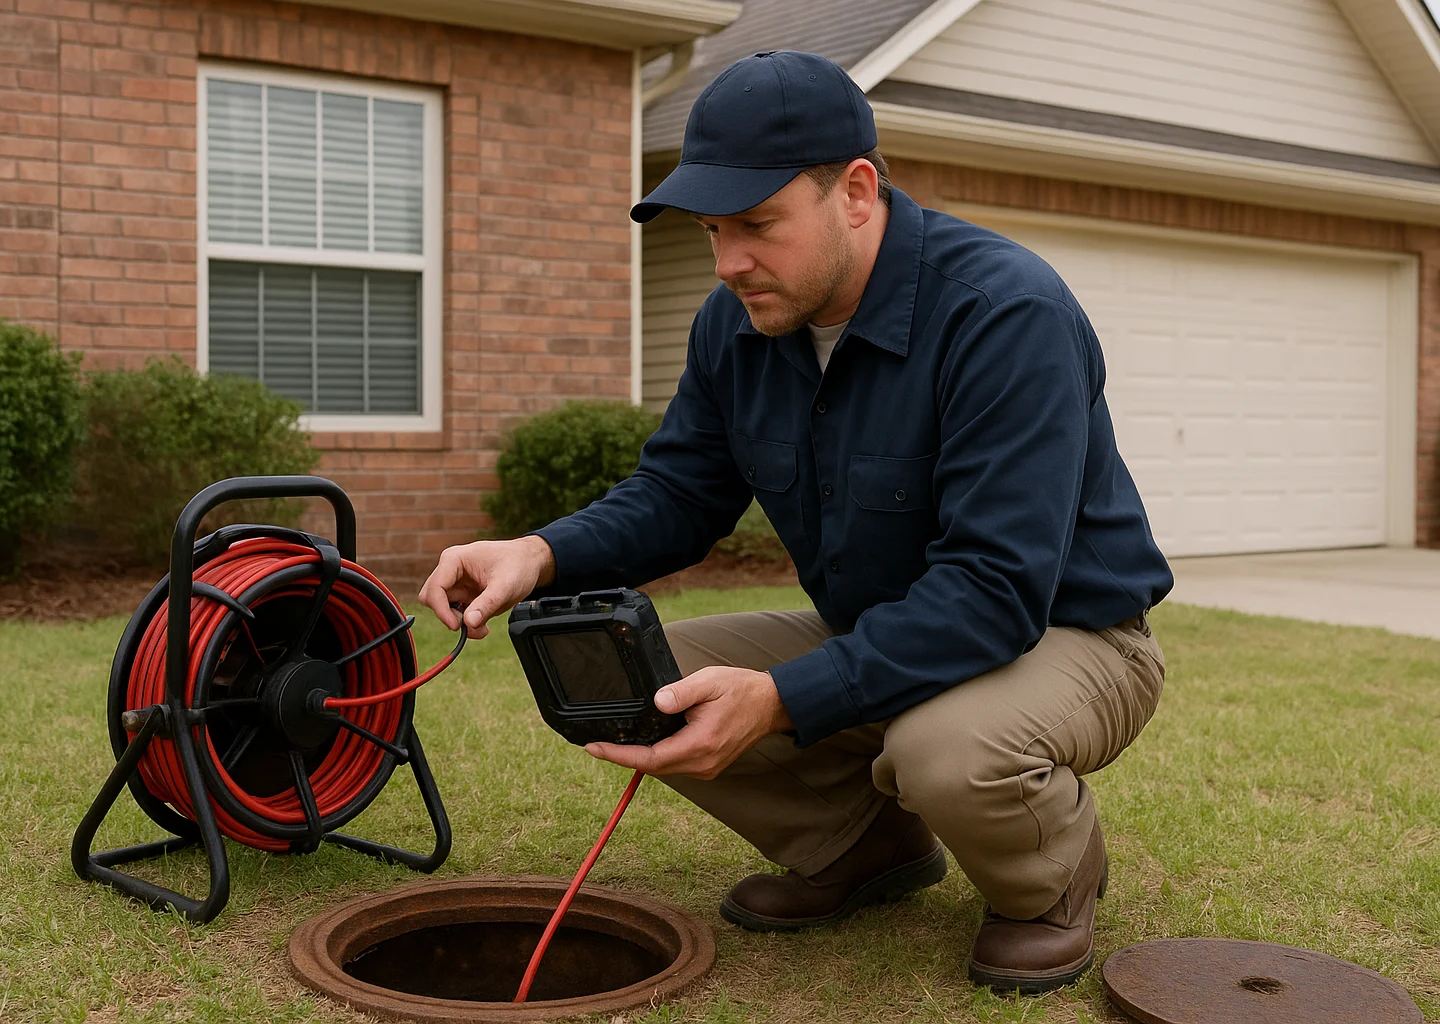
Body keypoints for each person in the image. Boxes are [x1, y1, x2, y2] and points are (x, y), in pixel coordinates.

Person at [419, 50, 1173, 994]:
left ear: (855, 192)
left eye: (757, 225)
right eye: (712, 231)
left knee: (945, 749)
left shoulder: (1004, 313)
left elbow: (994, 592)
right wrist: (536, 553)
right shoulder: (734, 324)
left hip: (1069, 634)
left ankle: (1051, 883)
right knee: (629, 673)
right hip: (882, 626)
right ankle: (865, 846)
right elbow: (679, 495)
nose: (729, 262)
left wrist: (781, 698)